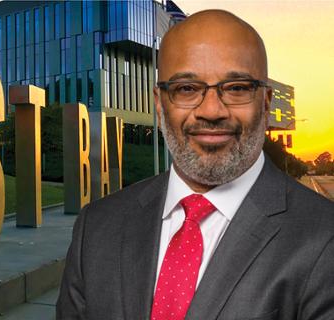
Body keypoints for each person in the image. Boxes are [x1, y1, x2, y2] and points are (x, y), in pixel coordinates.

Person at [57, 9, 334, 320]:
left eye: (237, 88)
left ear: (266, 103)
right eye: (186, 89)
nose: (212, 111)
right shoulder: (96, 226)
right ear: (160, 105)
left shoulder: (325, 236)